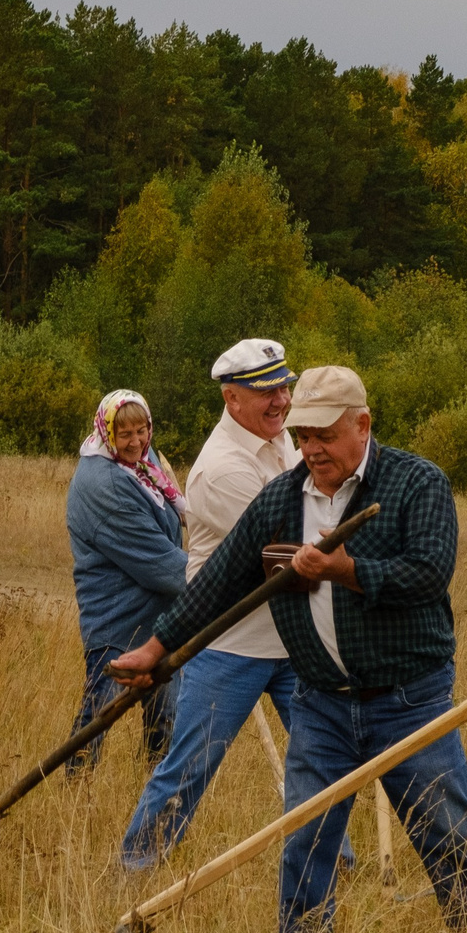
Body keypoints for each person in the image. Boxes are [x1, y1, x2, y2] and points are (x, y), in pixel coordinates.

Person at [110, 366, 467, 933]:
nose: (311, 449)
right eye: (303, 436)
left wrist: (344, 571)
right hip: (320, 702)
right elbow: (218, 581)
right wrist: (157, 646)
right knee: (306, 839)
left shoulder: (415, 484)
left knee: (447, 826)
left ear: (362, 425)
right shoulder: (281, 498)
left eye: (324, 434)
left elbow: (427, 574)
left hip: (408, 701)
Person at [118, 338, 302, 868]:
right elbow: (293, 548)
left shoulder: (283, 442)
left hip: (291, 640)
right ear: (232, 400)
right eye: (265, 392)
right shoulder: (221, 470)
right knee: (190, 766)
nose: (280, 402)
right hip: (231, 641)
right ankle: (136, 868)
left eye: (284, 388)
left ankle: (333, 863)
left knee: (322, 759)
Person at [64, 389, 188, 774]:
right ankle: (72, 795)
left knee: (164, 724)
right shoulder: (105, 484)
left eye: (142, 431)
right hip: (117, 620)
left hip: (161, 621)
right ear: (106, 433)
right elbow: (160, 564)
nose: (136, 442)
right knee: (98, 719)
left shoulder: (142, 463)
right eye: (125, 434)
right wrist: (217, 582)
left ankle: (153, 794)